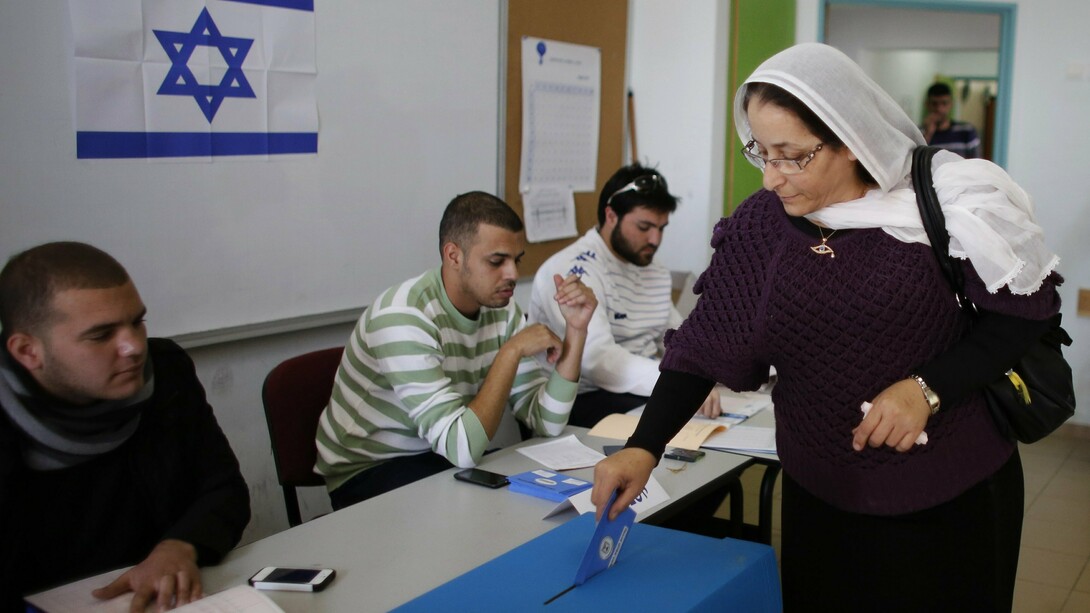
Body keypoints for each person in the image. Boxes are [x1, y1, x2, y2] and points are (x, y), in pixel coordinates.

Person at [593, 43, 1061, 612]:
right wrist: (644, 446)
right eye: (760, 152)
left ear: (849, 140)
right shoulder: (761, 228)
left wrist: (926, 389)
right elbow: (703, 346)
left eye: (791, 155)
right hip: (822, 494)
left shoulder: (946, 204)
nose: (771, 178)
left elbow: (1021, 317)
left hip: (952, 491)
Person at [0, 242, 251, 612]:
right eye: (101, 335)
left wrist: (180, 545)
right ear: (27, 351)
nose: (133, 347)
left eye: (137, 322)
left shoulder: (166, 371)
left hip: (166, 598)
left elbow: (223, 489)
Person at [315, 191, 597, 508]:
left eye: (516, 260)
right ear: (453, 256)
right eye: (496, 261)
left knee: (533, 507)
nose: (513, 275)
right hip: (371, 470)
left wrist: (576, 329)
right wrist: (510, 352)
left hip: (440, 454)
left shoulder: (502, 309)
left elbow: (547, 422)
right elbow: (462, 449)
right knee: (495, 518)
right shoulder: (404, 317)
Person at [528, 164, 720, 428]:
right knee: (685, 425)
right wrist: (679, 383)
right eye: (644, 227)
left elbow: (677, 337)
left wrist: (725, 366)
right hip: (583, 401)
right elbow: (598, 362)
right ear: (611, 215)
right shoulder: (572, 271)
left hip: (637, 390)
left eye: (662, 228)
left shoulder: (653, 270)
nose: (655, 239)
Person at [921, 81, 982, 159]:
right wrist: (928, 134)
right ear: (927, 104)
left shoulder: (966, 131)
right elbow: (915, 162)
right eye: (934, 104)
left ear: (951, 104)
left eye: (944, 103)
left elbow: (977, 163)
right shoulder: (918, 132)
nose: (939, 109)